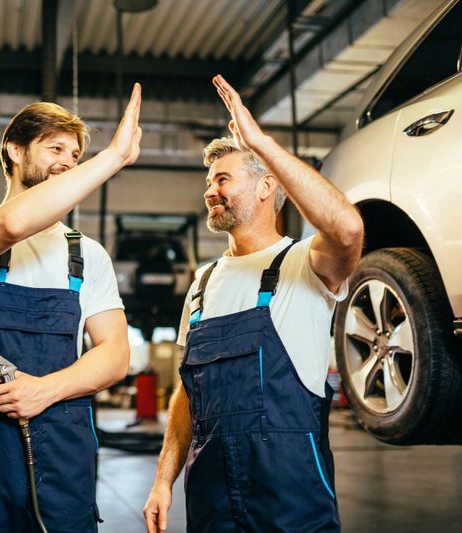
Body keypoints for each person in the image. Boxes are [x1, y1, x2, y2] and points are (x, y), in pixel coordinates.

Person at [143, 75, 363, 532]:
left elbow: (348, 230)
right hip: (209, 502)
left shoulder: (304, 264)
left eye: (222, 178)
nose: (209, 190)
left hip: (290, 502)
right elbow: (188, 392)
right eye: (208, 181)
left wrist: (260, 143)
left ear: (266, 186)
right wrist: (163, 479)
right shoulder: (202, 283)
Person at [0, 85, 143, 532]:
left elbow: (115, 354)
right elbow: (11, 223)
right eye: (55, 148)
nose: (67, 161)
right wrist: (116, 157)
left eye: (75, 154)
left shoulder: (86, 254)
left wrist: (44, 390)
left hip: (63, 453)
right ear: (13, 149)